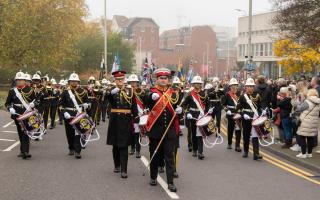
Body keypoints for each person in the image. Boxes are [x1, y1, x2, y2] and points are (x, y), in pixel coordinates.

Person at [145, 68, 182, 192]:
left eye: (165, 78)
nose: (163, 80)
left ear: (168, 80)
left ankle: (170, 182)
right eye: (161, 78)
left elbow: (177, 108)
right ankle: (153, 177)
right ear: (157, 79)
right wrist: (151, 97)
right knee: (155, 154)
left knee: (169, 156)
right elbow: (147, 100)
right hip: (156, 129)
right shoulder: (152, 92)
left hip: (169, 130)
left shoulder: (173, 93)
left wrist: (180, 112)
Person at [106, 70, 138, 179]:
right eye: (117, 79)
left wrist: (137, 120)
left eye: (121, 79)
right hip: (115, 119)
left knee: (124, 145)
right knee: (115, 144)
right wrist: (111, 93)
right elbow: (106, 99)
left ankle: (124, 169)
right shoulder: (111, 90)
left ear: (124, 79)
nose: (120, 81)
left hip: (126, 120)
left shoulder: (130, 91)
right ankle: (117, 165)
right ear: (114, 80)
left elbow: (134, 106)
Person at [5, 71, 38, 159]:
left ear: (24, 80)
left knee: (26, 131)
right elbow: (7, 103)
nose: (19, 81)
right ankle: (22, 150)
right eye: (17, 80)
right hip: (17, 114)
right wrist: (10, 108)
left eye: (21, 80)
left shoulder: (30, 90)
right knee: (20, 132)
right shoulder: (12, 91)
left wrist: (33, 104)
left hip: (27, 114)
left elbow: (37, 101)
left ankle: (25, 151)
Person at [59, 72, 90, 159]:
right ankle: (71, 148)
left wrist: (87, 105)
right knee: (69, 133)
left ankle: (77, 151)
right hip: (68, 115)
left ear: (78, 82)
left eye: (75, 81)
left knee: (78, 132)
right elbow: (61, 104)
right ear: (69, 82)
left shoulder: (83, 91)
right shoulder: (65, 92)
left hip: (79, 115)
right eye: (72, 81)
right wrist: (64, 112)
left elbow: (88, 102)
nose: (73, 82)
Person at [182, 75, 211, 160]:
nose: (198, 85)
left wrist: (208, 111)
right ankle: (194, 149)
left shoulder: (203, 93)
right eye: (196, 83)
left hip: (201, 115)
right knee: (194, 133)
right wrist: (187, 112)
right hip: (192, 115)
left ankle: (200, 152)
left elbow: (208, 103)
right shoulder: (189, 94)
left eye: (199, 83)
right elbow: (184, 104)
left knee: (200, 133)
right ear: (193, 84)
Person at [238, 78, 264, 160]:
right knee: (246, 135)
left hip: (255, 117)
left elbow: (260, 107)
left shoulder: (257, 95)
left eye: (252, 86)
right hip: (246, 118)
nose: (251, 88)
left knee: (255, 135)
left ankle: (256, 154)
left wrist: (262, 112)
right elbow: (238, 109)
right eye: (249, 86)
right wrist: (243, 114)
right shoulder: (242, 96)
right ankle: (245, 151)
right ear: (246, 87)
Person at [294, 89, 320, 158]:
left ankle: (303, 153)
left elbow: (299, 109)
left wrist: (297, 104)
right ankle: (309, 153)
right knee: (310, 137)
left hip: (305, 121)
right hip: (314, 122)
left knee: (302, 136)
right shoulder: (318, 102)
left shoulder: (307, 101)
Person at [127, 74, 145, 158]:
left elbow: (144, 103)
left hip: (139, 115)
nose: (133, 83)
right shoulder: (127, 91)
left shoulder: (141, 91)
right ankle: (132, 148)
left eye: (134, 82)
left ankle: (138, 150)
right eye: (131, 82)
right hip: (129, 114)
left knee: (138, 133)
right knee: (130, 133)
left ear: (137, 82)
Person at [225, 78, 242, 152]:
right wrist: (227, 110)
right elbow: (223, 104)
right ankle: (229, 143)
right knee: (230, 129)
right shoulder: (227, 95)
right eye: (233, 85)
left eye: (235, 85)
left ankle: (237, 145)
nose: (234, 87)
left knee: (238, 129)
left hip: (238, 113)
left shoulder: (240, 94)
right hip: (230, 114)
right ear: (230, 86)